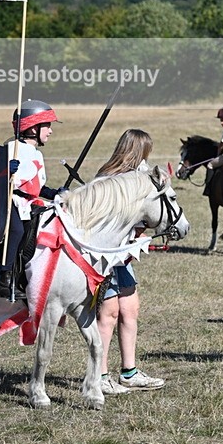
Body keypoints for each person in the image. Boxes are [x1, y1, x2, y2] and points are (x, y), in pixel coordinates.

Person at [95, 128, 165, 394]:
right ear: (136, 152)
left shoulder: (139, 177)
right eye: (145, 153)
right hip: (105, 256)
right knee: (109, 313)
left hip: (123, 257)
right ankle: (99, 376)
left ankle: (129, 373)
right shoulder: (108, 179)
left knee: (130, 308)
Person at [0, 99, 62, 300]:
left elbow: (36, 187)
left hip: (29, 203)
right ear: (33, 128)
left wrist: (56, 193)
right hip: (10, 201)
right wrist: (6, 170)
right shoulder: (12, 148)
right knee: (17, 231)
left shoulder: (36, 153)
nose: (50, 131)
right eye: (47, 125)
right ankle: (4, 280)